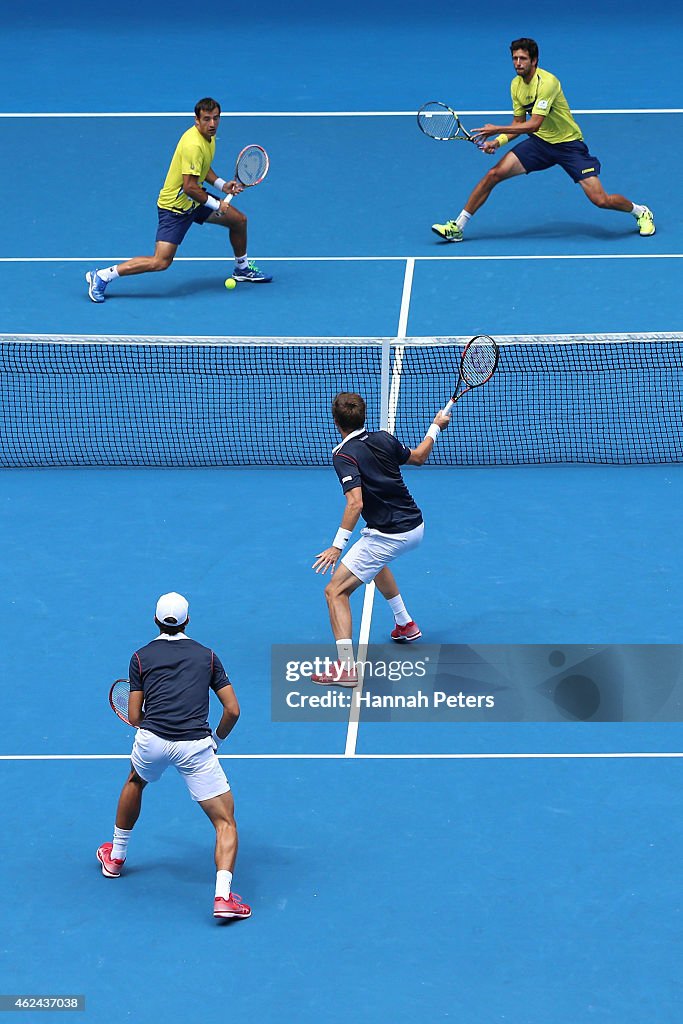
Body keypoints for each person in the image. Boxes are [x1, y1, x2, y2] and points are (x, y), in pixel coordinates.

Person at [96, 592, 251, 921]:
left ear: (154, 620)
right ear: (187, 621)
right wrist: (216, 741)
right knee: (225, 823)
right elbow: (233, 710)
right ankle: (223, 897)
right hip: (195, 747)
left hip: (152, 741)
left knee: (135, 781)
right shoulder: (208, 656)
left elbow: (135, 716)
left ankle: (116, 858)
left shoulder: (140, 657)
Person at [432, 38, 655, 242]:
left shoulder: (547, 82)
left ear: (534, 60)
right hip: (540, 144)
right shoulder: (515, 85)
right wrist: (497, 142)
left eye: (523, 59)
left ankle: (640, 211)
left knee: (600, 200)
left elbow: (534, 123)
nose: (518, 63)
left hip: (569, 146)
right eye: (515, 59)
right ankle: (457, 227)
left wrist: (496, 128)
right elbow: (519, 125)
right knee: (493, 174)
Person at [310, 393, 451, 686]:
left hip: (390, 533)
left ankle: (346, 669)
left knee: (334, 592)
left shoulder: (343, 455)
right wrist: (435, 426)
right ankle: (405, 623)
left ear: (336, 422)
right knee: (371, 561)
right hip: (414, 525)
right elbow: (419, 457)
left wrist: (337, 546)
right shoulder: (385, 439)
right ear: (363, 416)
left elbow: (355, 503)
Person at [86, 97, 271, 302]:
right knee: (161, 261)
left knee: (239, 221)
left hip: (194, 200)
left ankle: (242, 268)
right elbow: (189, 187)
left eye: (216, 118)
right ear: (196, 120)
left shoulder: (207, 139)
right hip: (175, 207)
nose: (212, 124)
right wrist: (218, 205)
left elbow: (201, 168)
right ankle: (102, 276)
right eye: (207, 119)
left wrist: (221, 184)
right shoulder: (193, 145)